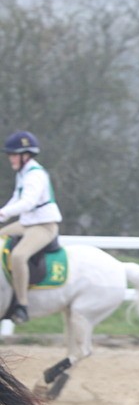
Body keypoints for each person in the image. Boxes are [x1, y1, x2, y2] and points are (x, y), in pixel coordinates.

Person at [0, 131, 62, 324]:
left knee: (19, 256)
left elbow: (27, 203)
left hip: (43, 226)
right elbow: (16, 199)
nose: (10, 158)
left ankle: (22, 306)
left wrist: (4, 213)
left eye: (13, 154)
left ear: (25, 155)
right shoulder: (23, 174)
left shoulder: (35, 175)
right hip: (28, 223)